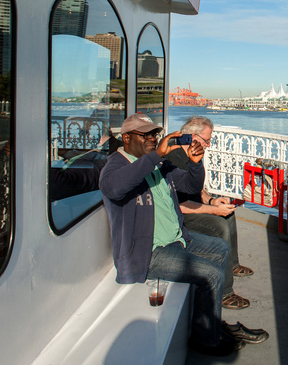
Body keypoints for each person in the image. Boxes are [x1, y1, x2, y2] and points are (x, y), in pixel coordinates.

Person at [99, 113, 265, 356]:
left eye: (154, 134)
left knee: (220, 247)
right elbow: (113, 188)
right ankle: (207, 340)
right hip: (148, 254)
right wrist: (157, 154)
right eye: (145, 135)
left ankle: (209, 322)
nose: (153, 139)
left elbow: (189, 187)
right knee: (211, 274)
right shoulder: (117, 164)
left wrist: (196, 163)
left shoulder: (155, 164)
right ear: (126, 138)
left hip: (176, 239)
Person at [165, 115, 255, 311]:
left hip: (192, 205)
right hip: (181, 214)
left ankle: (232, 264)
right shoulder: (172, 157)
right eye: (206, 140)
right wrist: (214, 210)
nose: (208, 145)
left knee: (228, 214)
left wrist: (213, 201)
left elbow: (196, 189)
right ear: (191, 136)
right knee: (219, 225)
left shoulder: (190, 153)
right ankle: (225, 293)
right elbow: (178, 204)